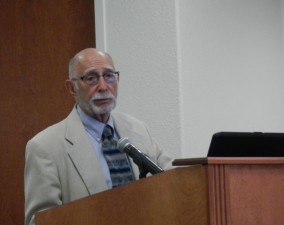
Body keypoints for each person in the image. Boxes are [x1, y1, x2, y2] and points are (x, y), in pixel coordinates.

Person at [24, 48, 173, 225]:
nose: (103, 86)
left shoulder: (138, 129)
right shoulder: (45, 146)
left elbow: (172, 181)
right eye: (91, 78)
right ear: (72, 88)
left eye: (109, 75)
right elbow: (38, 221)